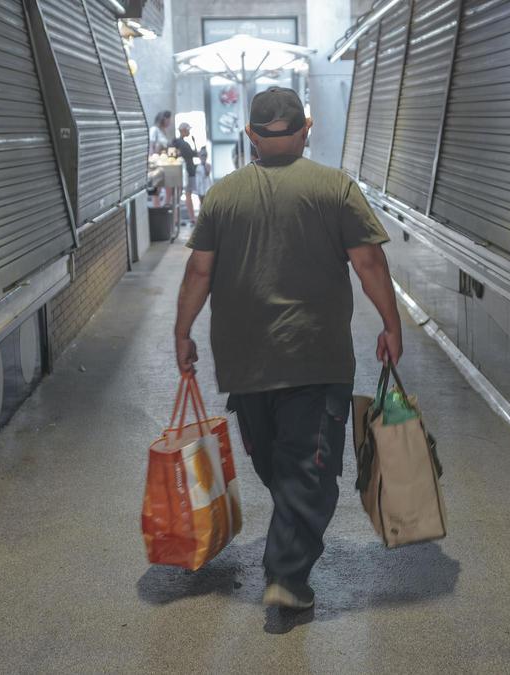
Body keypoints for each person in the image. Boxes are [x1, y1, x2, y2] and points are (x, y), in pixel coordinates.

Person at [173, 87, 403, 610]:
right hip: (315, 358)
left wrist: (182, 332)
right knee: (306, 473)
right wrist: (391, 325)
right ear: (307, 129)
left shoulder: (222, 196)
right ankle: (286, 579)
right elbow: (370, 264)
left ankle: (286, 570)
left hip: (244, 363)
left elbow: (199, 271)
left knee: (282, 466)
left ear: (251, 136)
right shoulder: (336, 188)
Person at [170, 122, 200, 223]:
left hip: (182, 172)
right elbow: (193, 154)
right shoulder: (182, 143)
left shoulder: (176, 142)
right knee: (187, 194)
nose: (189, 131)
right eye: (188, 129)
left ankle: (176, 219)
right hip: (187, 172)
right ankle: (191, 218)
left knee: (178, 196)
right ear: (183, 130)